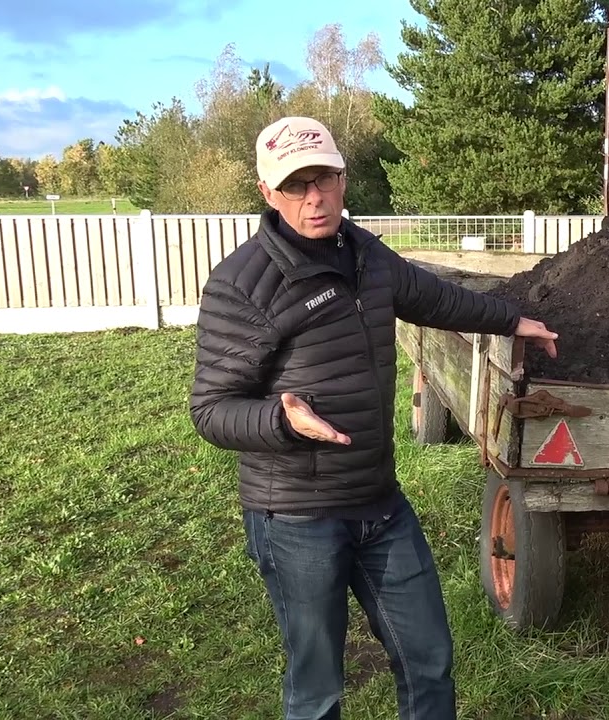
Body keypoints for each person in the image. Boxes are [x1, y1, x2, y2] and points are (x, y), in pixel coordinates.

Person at [188, 116, 558, 720]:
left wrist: (511, 320)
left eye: (324, 179)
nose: (314, 197)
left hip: (379, 505)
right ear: (267, 192)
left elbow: (435, 296)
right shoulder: (243, 285)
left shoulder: (367, 256)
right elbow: (210, 410)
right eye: (295, 185)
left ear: (342, 176)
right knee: (317, 689)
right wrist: (281, 422)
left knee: (429, 661)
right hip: (296, 516)